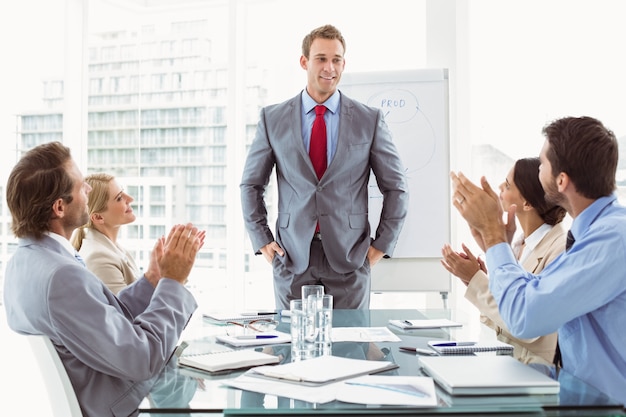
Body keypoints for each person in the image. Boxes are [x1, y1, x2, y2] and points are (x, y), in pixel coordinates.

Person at [3, 141, 205, 416]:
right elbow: (142, 358)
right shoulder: (61, 277)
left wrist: (152, 280)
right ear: (59, 208)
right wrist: (173, 282)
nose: (87, 188)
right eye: (80, 184)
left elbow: (97, 318)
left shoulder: (25, 261)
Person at [450, 116, 626, 405]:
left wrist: (494, 236)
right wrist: (500, 246)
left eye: (542, 163)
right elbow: (540, 290)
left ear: (561, 180)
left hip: (606, 406)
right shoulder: (595, 234)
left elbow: (525, 316)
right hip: (580, 395)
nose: (538, 168)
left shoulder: (611, 239)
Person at [240, 24, 409, 310]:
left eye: (336, 59)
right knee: (294, 350)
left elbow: (396, 187)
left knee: (349, 349)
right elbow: (251, 185)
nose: (329, 67)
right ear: (304, 61)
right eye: (321, 58)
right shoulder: (273, 118)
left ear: (344, 63)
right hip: (292, 259)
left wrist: (381, 245)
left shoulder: (369, 120)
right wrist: (262, 240)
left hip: (349, 260)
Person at [441, 157, 567, 365]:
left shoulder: (559, 249)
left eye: (507, 185)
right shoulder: (517, 244)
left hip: (538, 378)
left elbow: (526, 325)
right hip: (509, 366)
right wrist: (484, 278)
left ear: (526, 203)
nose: (500, 186)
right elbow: (502, 319)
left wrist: (476, 280)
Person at [71, 173, 140, 294]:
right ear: (98, 217)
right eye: (119, 198)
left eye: (123, 192)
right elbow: (128, 311)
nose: (130, 198)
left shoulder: (115, 248)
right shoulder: (99, 258)